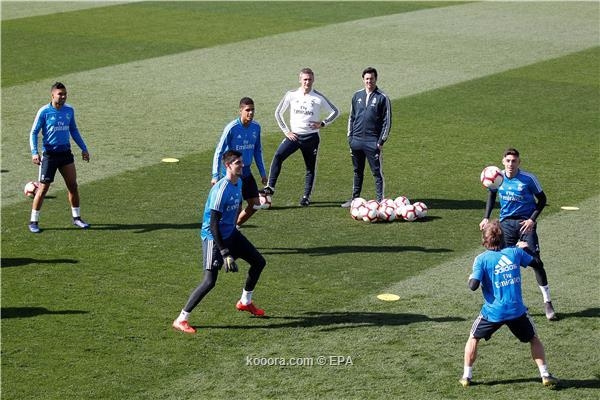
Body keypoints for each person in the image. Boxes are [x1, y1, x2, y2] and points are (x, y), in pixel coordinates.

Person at [173, 150, 267, 334]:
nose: (242, 165)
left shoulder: (239, 182)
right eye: (238, 163)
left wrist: (235, 228)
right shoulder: (220, 190)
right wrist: (224, 252)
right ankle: (181, 318)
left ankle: (245, 301)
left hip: (231, 234)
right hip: (213, 238)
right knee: (209, 281)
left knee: (259, 262)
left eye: (241, 162)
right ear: (228, 166)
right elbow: (213, 224)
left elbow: (238, 206)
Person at [460, 220, 559, 388]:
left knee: (473, 337)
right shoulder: (515, 253)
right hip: (516, 311)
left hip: (492, 313)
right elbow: (538, 264)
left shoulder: (481, 259)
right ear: (502, 238)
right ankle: (545, 374)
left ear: (484, 240)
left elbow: (473, 286)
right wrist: (526, 248)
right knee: (533, 339)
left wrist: (471, 276)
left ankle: (466, 377)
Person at [479, 148, 557, 321]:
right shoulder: (497, 177)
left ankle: (547, 302)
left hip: (525, 224)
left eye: (514, 161)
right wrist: (486, 217)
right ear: (503, 161)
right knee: (505, 264)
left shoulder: (528, 179)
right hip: (506, 225)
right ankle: (512, 303)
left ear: (519, 162)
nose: (510, 164)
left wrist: (532, 220)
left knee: (536, 263)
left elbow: (542, 200)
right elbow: (491, 195)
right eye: (508, 161)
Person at [263, 67, 339, 206]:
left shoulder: (318, 97)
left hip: (311, 138)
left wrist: (323, 123)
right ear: (300, 80)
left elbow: (335, 111)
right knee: (278, 155)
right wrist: (286, 131)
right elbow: (278, 113)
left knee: (310, 168)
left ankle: (306, 197)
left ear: (313, 80)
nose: (307, 82)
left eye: (309, 79)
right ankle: (270, 187)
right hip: (294, 136)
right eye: (305, 79)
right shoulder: (291, 95)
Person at [28, 82, 90, 233]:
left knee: (73, 186)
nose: (63, 96)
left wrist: (84, 148)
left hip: (65, 154)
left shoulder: (69, 110)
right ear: (52, 95)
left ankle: (77, 218)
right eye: (60, 94)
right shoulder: (44, 111)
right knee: (43, 189)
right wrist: (34, 152)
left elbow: (73, 130)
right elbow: (34, 132)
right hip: (49, 156)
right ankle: (33, 221)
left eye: (65, 94)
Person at [211, 97, 267, 227]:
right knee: (235, 206)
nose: (251, 113)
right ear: (240, 111)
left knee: (255, 204)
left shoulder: (256, 127)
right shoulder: (232, 128)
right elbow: (219, 151)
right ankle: (226, 231)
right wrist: (215, 175)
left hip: (246, 171)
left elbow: (257, 150)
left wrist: (263, 173)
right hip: (232, 173)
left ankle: (234, 227)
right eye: (247, 110)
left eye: (253, 110)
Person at [341, 67, 392, 207]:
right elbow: (351, 117)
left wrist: (381, 141)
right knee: (357, 171)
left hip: (372, 141)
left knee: (377, 173)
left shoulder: (382, 97)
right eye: (367, 79)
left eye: (372, 78)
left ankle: (380, 201)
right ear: (363, 79)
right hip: (356, 141)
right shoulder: (357, 95)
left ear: (376, 79)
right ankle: (354, 199)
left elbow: (387, 121)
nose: (369, 81)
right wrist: (350, 138)